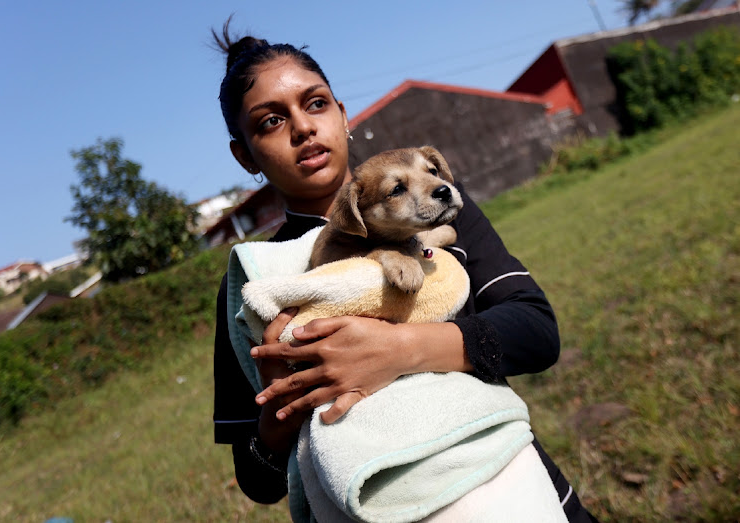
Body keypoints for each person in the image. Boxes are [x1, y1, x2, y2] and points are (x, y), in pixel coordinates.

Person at [211, 19, 597, 522]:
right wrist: (282, 407)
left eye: (315, 103)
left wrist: (398, 351)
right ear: (245, 157)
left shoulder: (438, 211)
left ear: (341, 113)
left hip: (508, 485)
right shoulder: (257, 280)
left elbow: (538, 332)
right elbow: (257, 481)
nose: (303, 127)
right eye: (270, 121)